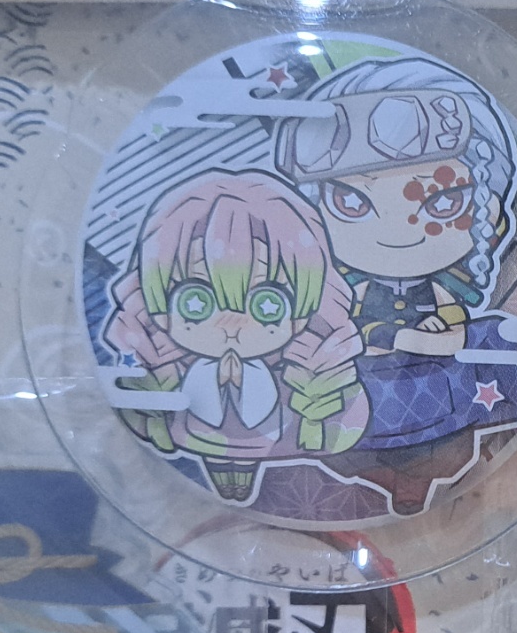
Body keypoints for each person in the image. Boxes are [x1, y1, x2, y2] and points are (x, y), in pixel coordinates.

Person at [272, 56, 517, 514]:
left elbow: (459, 323)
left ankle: (415, 486)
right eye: (351, 202)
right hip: (369, 400)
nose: (396, 234)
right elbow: (346, 330)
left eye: (442, 202)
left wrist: (448, 332)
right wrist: (397, 338)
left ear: (490, 212)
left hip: (437, 398)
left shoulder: (447, 287)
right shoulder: (340, 292)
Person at [104, 169, 370, 504]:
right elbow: (140, 418)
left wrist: (316, 392)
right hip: (183, 475)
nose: (231, 324)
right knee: (214, 471)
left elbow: (342, 425)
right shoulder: (163, 367)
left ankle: (242, 484)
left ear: (306, 304)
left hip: (277, 453)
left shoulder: (302, 372)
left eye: (267, 304)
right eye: (196, 301)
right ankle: (228, 482)